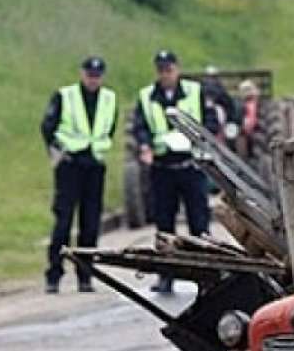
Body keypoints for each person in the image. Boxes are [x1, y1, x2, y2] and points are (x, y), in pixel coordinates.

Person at [133, 49, 219, 294]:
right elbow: (140, 127)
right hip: (163, 168)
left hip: (190, 166)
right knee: (164, 224)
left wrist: (203, 141)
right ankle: (166, 275)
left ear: (177, 69)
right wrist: (144, 146)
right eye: (161, 71)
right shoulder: (147, 97)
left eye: (169, 70)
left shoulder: (194, 92)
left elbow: (211, 121)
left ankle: (206, 276)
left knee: (199, 223)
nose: (165, 75)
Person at [40, 56, 118, 294]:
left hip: (94, 164)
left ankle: (85, 276)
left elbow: (110, 127)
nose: (93, 79)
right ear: (82, 74)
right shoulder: (65, 96)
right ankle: (54, 274)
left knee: (90, 223)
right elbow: (48, 126)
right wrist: (57, 153)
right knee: (63, 222)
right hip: (70, 164)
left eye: (97, 75)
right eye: (89, 74)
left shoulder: (109, 98)